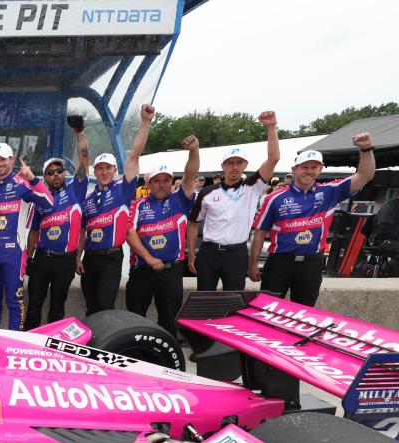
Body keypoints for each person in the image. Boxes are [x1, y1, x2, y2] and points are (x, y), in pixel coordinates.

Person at [250, 138, 376, 306]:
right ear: (294, 169)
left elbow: (365, 176)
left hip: (312, 264)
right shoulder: (274, 198)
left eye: (313, 167)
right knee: (266, 309)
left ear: (320, 169)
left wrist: (366, 149)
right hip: (279, 262)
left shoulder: (330, 191)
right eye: (304, 167)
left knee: (305, 312)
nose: (308, 171)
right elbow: (260, 232)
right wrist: (252, 264)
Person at [77, 104, 158, 316]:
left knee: (105, 307)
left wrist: (145, 122)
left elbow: (134, 156)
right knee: (91, 307)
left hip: (111, 259)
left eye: (108, 168)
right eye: (100, 168)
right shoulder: (88, 199)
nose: (104, 171)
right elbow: (83, 232)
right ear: (96, 171)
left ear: (115, 170)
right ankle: (92, 346)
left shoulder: (123, 189)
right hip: (90, 258)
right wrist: (77, 257)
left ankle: (104, 346)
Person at [187, 111, 280, 291]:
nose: (235, 167)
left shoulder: (253, 186)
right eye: (230, 163)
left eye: (239, 162)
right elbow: (192, 223)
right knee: (205, 299)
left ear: (245, 165)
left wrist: (271, 128)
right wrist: (192, 254)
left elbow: (273, 159)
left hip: (237, 254)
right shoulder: (207, 192)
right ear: (223, 166)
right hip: (209, 252)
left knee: (235, 300)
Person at [126, 135, 201, 337]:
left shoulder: (180, 199)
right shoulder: (138, 205)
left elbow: (191, 173)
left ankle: (167, 357)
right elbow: (129, 233)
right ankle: (136, 353)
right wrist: (149, 258)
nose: (161, 184)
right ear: (148, 183)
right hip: (142, 269)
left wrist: (194, 150)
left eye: (165, 180)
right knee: (135, 316)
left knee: (169, 320)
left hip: (171, 271)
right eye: (156, 181)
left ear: (171, 182)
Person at [23, 128, 90, 329]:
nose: (56, 175)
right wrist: (29, 257)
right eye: (50, 173)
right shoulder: (40, 200)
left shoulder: (75, 190)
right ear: (44, 177)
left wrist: (80, 133)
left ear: (64, 173)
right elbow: (34, 232)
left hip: (66, 260)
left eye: (59, 171)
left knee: (57, 305)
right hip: (43, 258)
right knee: (34, 303)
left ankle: (53, 343)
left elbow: (84, 159)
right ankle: (30, 340)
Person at [0, 144, 53, 330]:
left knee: (15, 301)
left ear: (12, 159)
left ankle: (15, 339)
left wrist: (34, 179)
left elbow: (49, 204)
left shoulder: (22, 183)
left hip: (13, 252)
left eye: (3, 159)